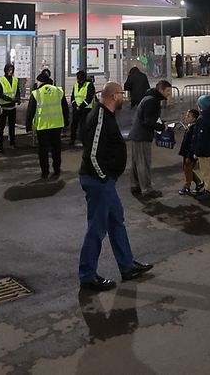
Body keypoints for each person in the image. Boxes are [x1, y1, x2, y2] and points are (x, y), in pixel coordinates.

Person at [78, 81, 153, 291]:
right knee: (97, 228)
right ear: (113, 96)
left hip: (105, 182)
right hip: (98, 182)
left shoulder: (106, 115)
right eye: (122, 94)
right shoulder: (100, 116)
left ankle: (127, 265)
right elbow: (92, 151)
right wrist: (103, 177)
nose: (124, 97)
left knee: (116, 220)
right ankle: (87, 275)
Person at [127, 80, 170, 197]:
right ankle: (146, 189)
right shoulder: (153, 101)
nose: (169, 94)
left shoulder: (149, 98)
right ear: (161, 90)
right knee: (144, 162)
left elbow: (147, 118)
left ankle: (135, 185)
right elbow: (148, 121)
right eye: (167, 91)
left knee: (136, 161)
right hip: (142, 135)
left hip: (137, 134)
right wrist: (162, 126)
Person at [26, 73, 68, 180]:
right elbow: (65, 108)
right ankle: (57, 169)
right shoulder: (58, 91)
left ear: (41, 81)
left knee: (43, 150)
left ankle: (45, 172)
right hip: (57, 125)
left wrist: (28, 126)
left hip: (42, 126)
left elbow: (30, 111)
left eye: (37, 81)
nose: (37, 83)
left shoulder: (36, 93)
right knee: (56, 148)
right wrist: (66, 122)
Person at [191, 94, 210, 196]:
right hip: (208, 148)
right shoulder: (209, 117)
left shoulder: (202, 119)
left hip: (204, 150)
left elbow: (200, 137)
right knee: (205, 169)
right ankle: (205, 185)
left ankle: (208, 189)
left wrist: (196, 151)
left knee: (205, 170)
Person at [0, 63, 22, 152]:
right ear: (5, 70)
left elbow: (17, 91)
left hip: (12, 107)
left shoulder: (15, 80)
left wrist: (18, 99)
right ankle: (0, 145)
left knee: (12, 126)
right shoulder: (1, 80)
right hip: (3, 107)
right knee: (1, 127)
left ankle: (12, 143)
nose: (10, 72)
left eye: (12, 70)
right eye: (9, 70)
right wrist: (11, 99)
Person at [177, 108, 199, 196]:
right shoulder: (190, 127)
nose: (186, 117)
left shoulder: (194, 129)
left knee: (187, 169)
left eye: (188, 116)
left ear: (194, 119)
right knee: (187, 169)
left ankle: (187, 186)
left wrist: (189, 155)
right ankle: (199, 183)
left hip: (190, 153)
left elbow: (192, 143)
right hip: (186, 152)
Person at [71, 69, 95, 147]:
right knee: (74, 125)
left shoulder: (89, 85)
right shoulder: (75, 85)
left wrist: (80, 106)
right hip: (77, 108)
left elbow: (89, 98)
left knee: (83, 126)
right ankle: (72, 140)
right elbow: (73, 97)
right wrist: (74, 105)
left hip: (86, 109)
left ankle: (85, 142)